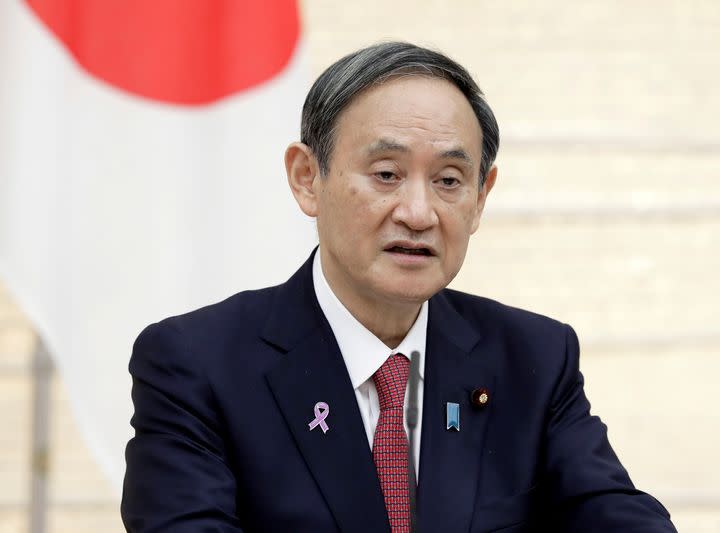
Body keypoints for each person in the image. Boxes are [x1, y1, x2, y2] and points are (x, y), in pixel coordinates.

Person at [121, 42, 677, 532]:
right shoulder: (196, 365)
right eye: (386, 174)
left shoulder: (532, 358)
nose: (418, 213)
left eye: (449, 182)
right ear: (307, 179)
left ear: (481, 198)